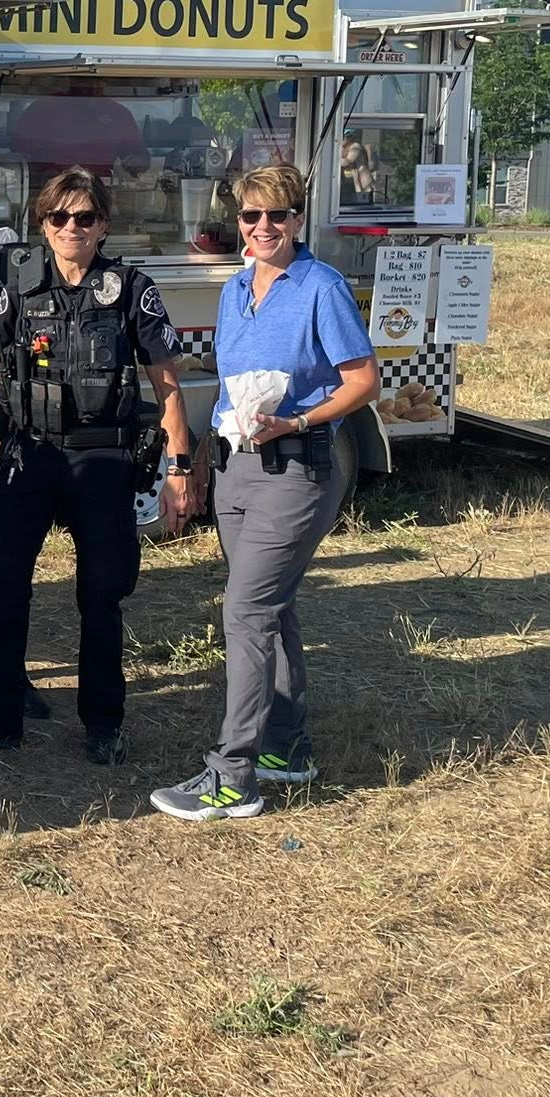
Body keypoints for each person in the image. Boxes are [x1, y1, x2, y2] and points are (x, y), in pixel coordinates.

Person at [0, 168, 200, 761]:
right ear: (44, 224)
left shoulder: (131, 288)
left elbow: (166, 385)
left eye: (84, 217)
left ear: (103, 225)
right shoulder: (21, 286)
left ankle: (103, 723)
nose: (71, 228)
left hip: (102, 456)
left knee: (101, 594)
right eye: (59, 217)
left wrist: (181, 469)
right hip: (30, 452)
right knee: (3, 585)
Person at [151, 164, 376, 822]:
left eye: (278, 214)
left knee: (246, 612)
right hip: (235, 469)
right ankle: (285, 746)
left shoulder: (321, 286)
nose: (264, 226)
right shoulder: (234, 289)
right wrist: (197, 460)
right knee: (272, 609)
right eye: (252, 215)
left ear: (298, 219)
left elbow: (364, 380)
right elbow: (230, 391)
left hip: (296, 470)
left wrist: (300, 421)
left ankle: (232, 776)